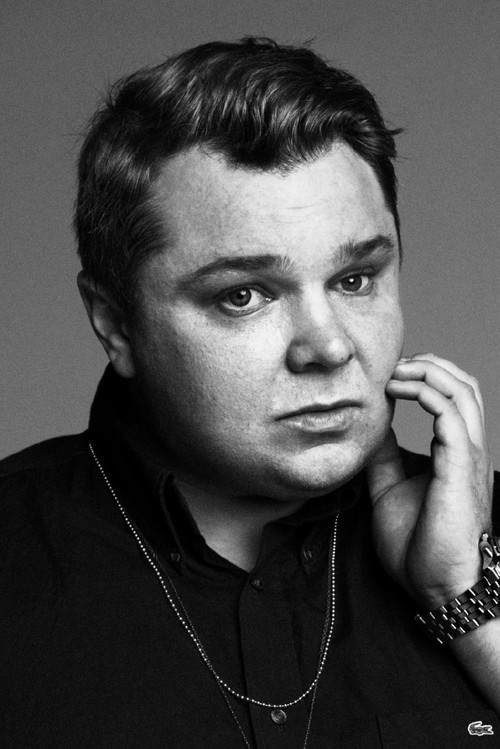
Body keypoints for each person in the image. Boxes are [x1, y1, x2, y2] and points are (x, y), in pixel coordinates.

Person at [1, 37, 499, 748]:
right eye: (243, 295)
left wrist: (466, 602)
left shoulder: (480, 541)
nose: (329, 347)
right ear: (115, 324)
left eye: (355, 279)